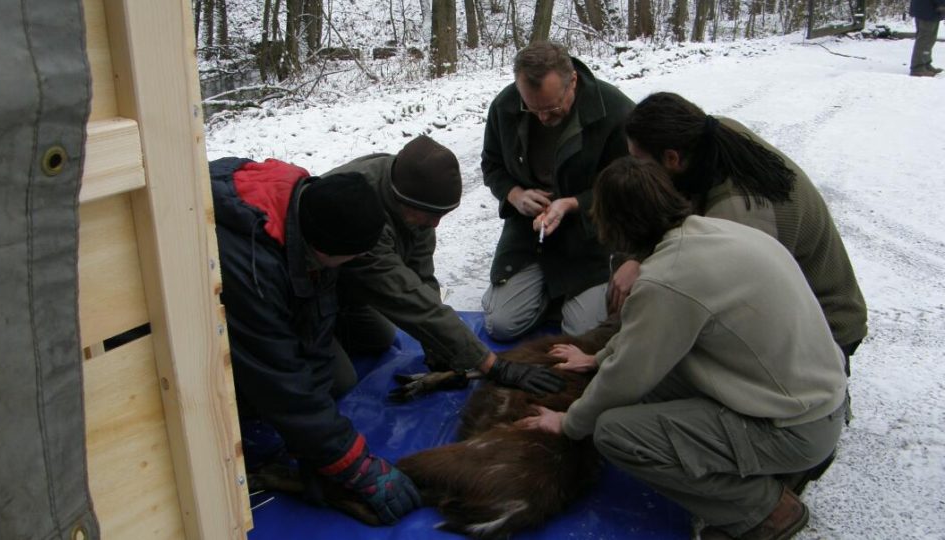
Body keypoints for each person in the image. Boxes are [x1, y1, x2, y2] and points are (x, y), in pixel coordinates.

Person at [520, 157, 849, 540]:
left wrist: (568, 423)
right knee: (647, 385)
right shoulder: (714, 231)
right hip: (816, 398)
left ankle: (763, 509)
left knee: (612, 431)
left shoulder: (667, 280)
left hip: (795, 428)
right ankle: (758, 466)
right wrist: (599, 358)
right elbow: (647, 339)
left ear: (615, 226)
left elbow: (625, 380)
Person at [209, 157, 420, 524]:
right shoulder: (252, 266)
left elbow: (317, 328)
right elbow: (279, 377)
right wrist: (354, 467)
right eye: (350, 256)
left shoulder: (311, 213)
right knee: (251, 397)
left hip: (262, 299)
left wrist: (319, 455)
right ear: (322, 251)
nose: (354, 262)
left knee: (338, 381)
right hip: (187, 313)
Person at [610, 92, 867, 375]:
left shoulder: (737, 215)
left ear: (671, 158)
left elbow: (712, 311)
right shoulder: (710, 135)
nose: (634, 168)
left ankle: (826, 401)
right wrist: (637, 257)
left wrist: (647, 274)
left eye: (639, 161)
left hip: (826, 329)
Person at [321, 135, 565, 394]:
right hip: (304, 296)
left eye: (442, 215)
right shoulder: (366, 217)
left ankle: (337, 316)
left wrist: (436, 341)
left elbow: (421, 275)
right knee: (340, 382)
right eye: (431, 215)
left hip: (344, 284)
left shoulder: (414, 196)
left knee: (380, 338)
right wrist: (493, 365)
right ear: (404, 201)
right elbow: (403, 296)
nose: (435, 224)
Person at [481, 41, 635, 340]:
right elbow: (492, 165)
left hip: (592, 234)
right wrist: (515, 195)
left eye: (552, 109)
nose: (543, 118)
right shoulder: (506, 106)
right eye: (532, 108)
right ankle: (551, 295)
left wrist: (573, 203)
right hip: (530, 232)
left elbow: (630, 186)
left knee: (582, 335)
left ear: (573, 81)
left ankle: (568, 295)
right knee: (499, 325)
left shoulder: (615, 111)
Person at [908, 0, 945, 77]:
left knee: (929, 38)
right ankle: (918, 67)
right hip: (928, 9)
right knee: (925, 39)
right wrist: (942, 4)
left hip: (926, 8)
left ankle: (925, 63)